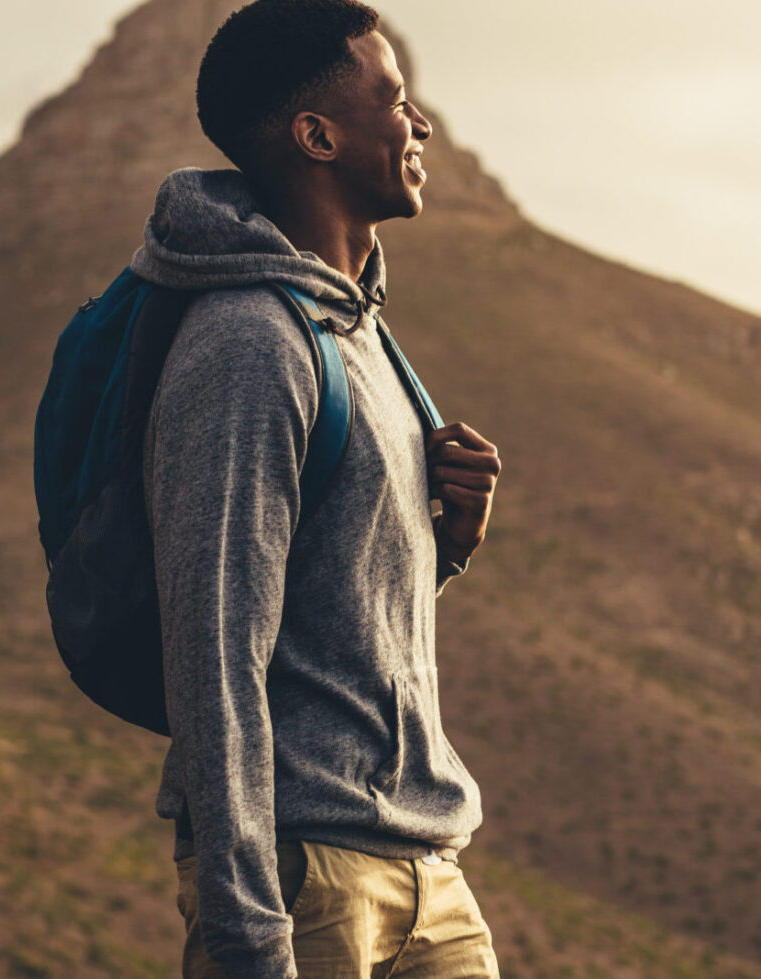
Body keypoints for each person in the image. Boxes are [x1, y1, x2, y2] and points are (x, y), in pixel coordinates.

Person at [133, 0, 501, 976]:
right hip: (305, 881)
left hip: (429, 868)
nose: (419, 122)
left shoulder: (364, 334)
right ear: (317, 134)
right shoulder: (250, 341)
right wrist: (249, 932)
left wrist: (447, 544)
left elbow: (334, 625)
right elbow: (216, 651)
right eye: (393, 97)